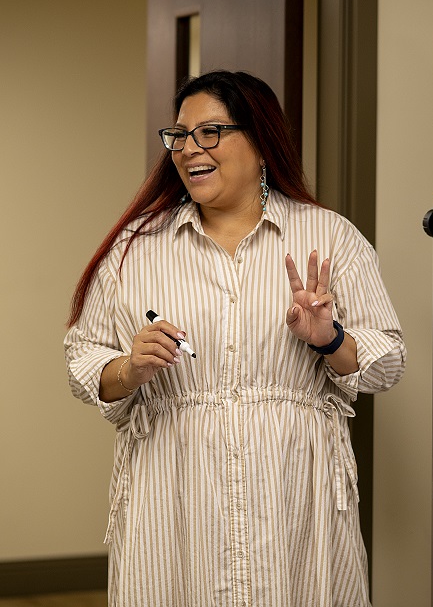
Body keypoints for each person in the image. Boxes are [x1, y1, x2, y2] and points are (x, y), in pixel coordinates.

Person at [64, 70, 406, 607]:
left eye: (210, 132)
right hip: (173, 505)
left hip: (294, 503)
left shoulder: (330, 237)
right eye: (179, 135)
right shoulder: (136, 251)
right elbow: (82, 361)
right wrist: (130, 370)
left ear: (262, 141)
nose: (188, 149)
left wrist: (328, 337)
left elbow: (388, 363)